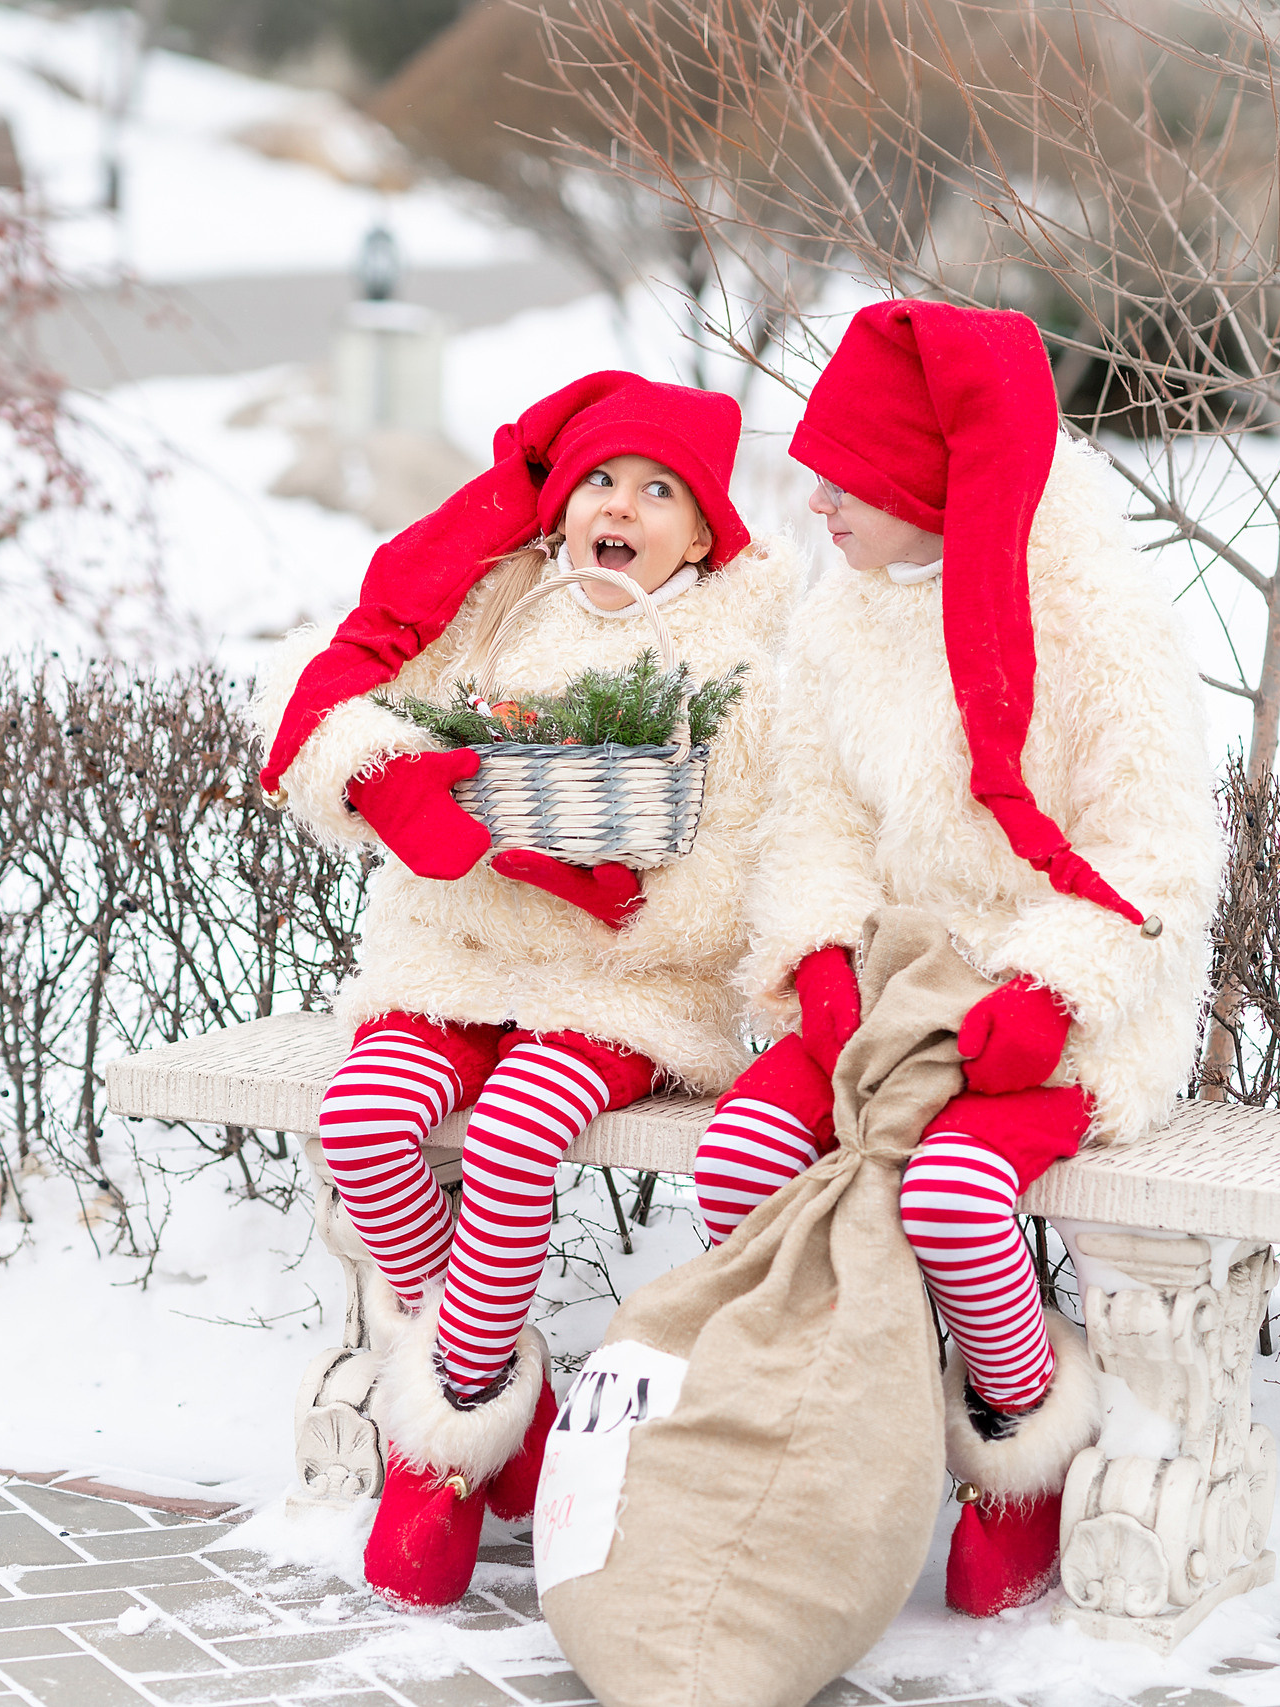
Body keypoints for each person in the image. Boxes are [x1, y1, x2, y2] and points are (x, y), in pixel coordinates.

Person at [691, 301, 1220, 1617]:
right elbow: (815, 813)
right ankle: (837, 1419)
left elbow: (1156, 851)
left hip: (1065, 1001)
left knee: (951, 1195)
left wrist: (1054, 987)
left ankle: (1016, 1427)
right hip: (895, 992)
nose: (817, 504)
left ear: (932, 479)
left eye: (848, 477)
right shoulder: (844, 615)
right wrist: (820, 953)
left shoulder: (1093, 613)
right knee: (740, 1162)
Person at [254, 373, 791, 1610]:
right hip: (457, 956)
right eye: (600, 479)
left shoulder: (732, 665)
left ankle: (444, 1445)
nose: (621, 507)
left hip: (617, 985)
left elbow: (736, 868)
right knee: (363, 1124)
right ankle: (498, 1386)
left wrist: (620, 897)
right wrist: (384, 776)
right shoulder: (495, 608)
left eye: (659, 493)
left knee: (509, 1140)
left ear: (702, 536)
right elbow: (326, 695)